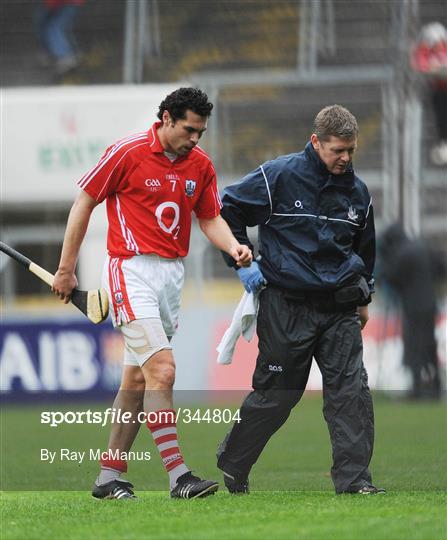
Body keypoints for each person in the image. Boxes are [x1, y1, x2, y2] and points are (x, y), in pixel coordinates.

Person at [52, 87, 252, 500]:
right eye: (189, 129)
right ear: (165, 118)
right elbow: (83, 203)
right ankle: (179, 477)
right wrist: (66, 269)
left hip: (171, 278)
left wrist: (232, 246)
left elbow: (210, 217)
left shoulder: (201, 165)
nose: (195, 139)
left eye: (201, 132)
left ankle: (109, 477)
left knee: (137, 381)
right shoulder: (126, 152)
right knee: (163, 370)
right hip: (130, 271)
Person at [217, 104, 385, 495]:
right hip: (286, 305)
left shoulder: (358, 193)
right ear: (316, 142)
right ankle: (235, 462)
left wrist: (364, 298)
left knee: (350, 394)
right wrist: (240, 257)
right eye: (337, 150)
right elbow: (228, 208)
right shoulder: (278, 176)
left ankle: (354, 481)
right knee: (277, 398)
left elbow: (366, 249)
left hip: (339, 306)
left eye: (351, 151)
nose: (345, 158)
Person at [378, 224, 444, 400]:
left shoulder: (402, 253)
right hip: (430, 303)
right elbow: (441, 268)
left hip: (413, 306)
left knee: (414, 345)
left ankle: (417, 388)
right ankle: (436, 385)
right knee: (429, 344)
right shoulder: (424, 246)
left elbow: (390, 276)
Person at [411, 22, 447, 166]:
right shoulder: (426, 50)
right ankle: (444, 142)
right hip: (440, 90)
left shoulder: (443, 48)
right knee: (441, 114)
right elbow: (421, 64)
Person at [36, 0, 85, 75]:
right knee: (43, 23)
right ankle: (50, 54)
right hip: (56, 4)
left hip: (66, 3)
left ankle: (66, 57)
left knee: (54, 28)